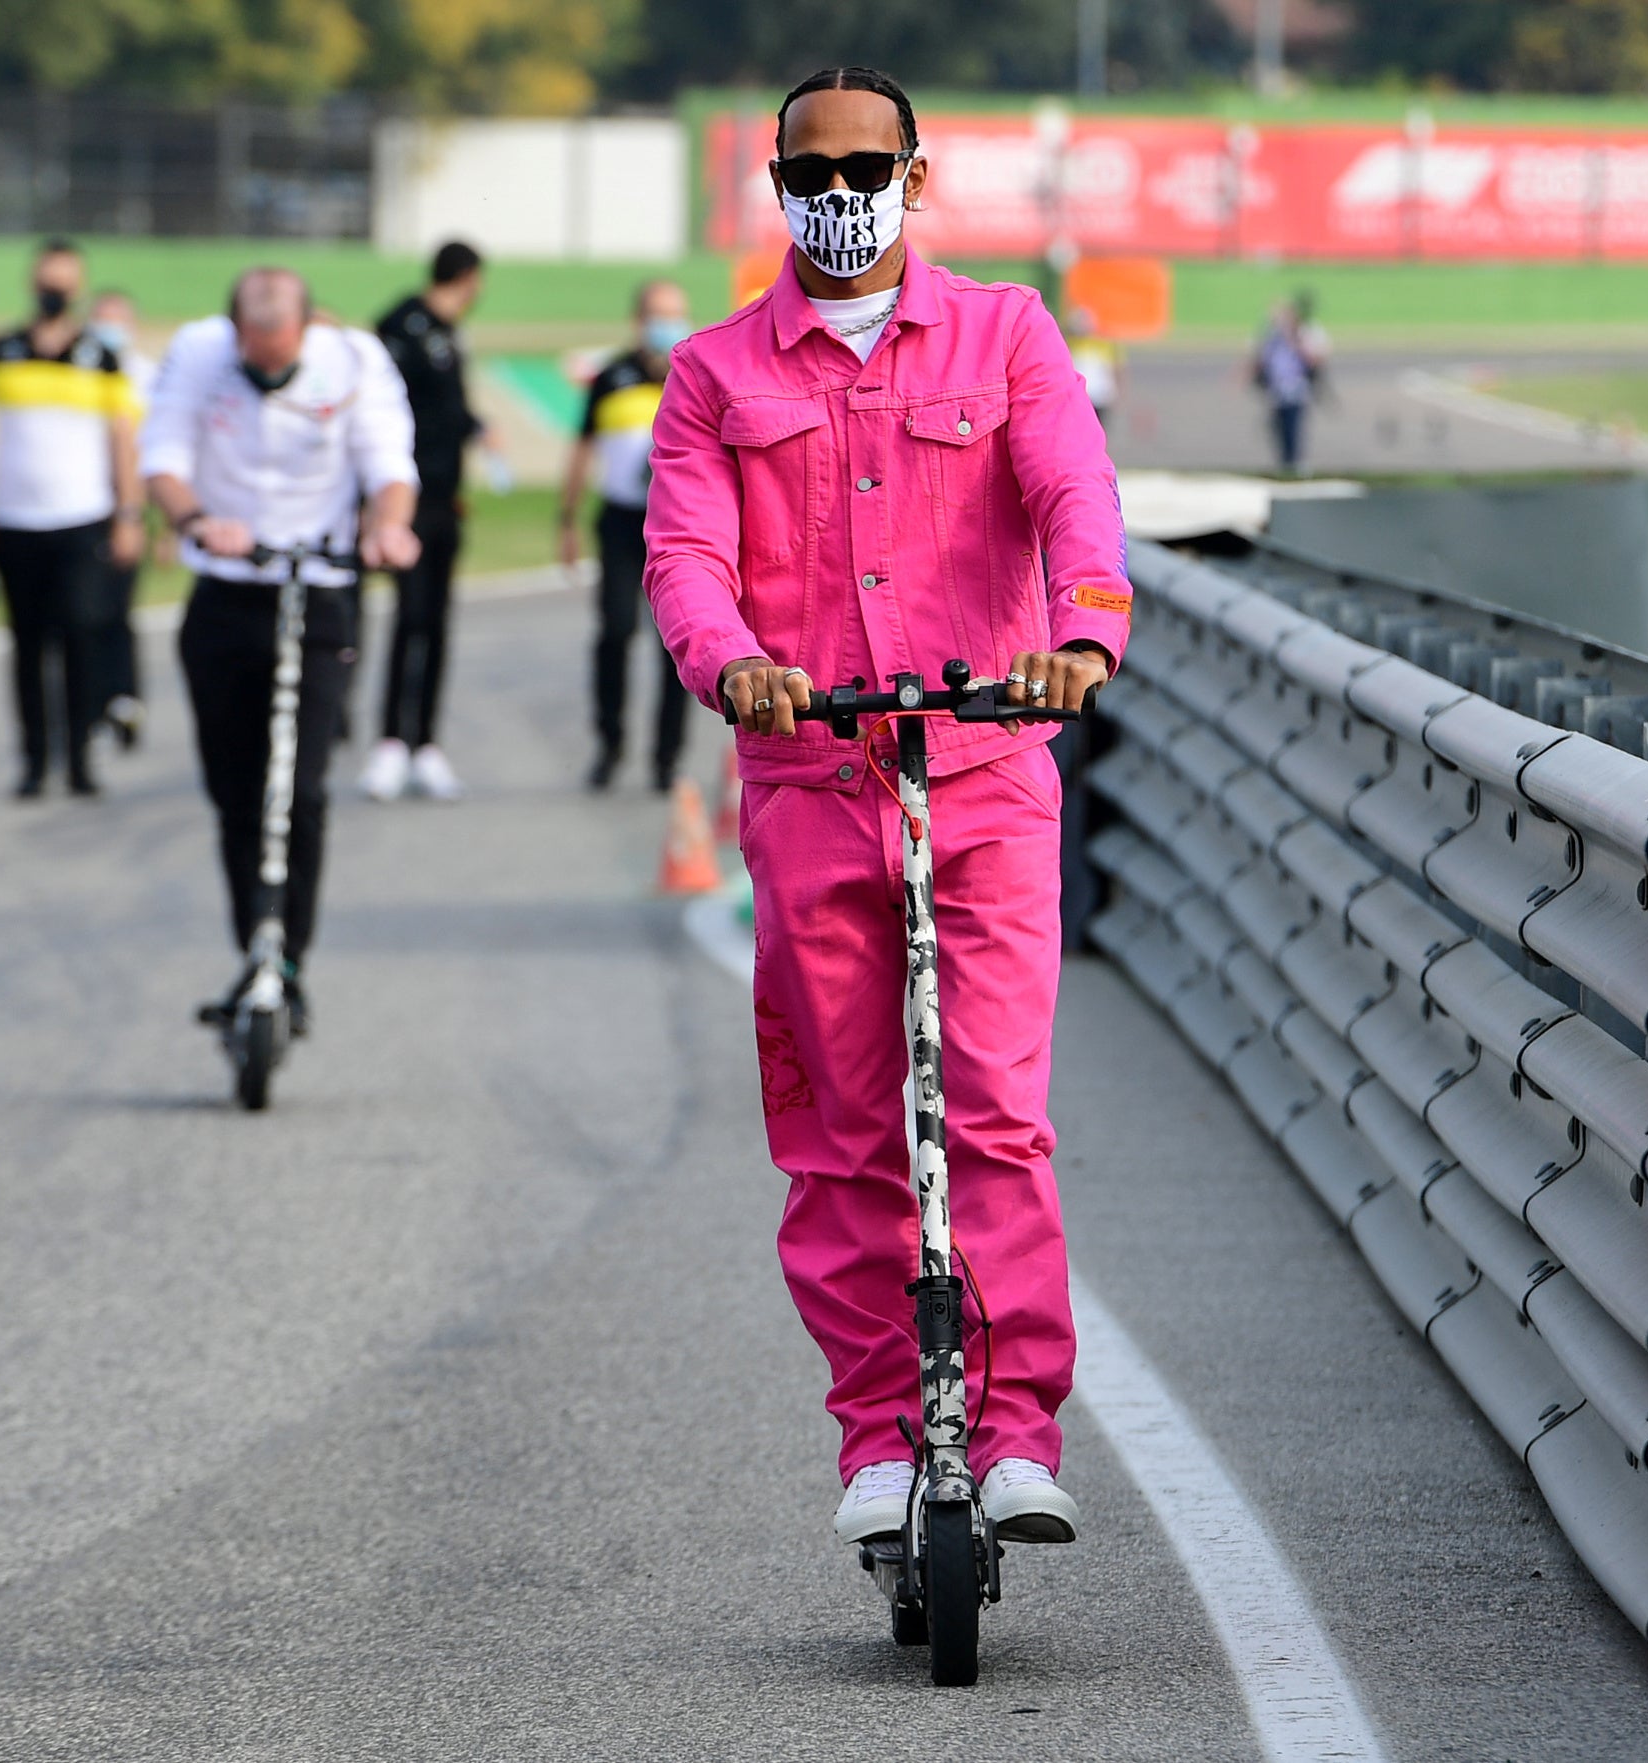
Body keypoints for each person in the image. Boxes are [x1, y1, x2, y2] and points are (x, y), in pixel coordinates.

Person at [645, 66, 1127, 1551]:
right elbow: (684, 557)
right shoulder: (717, 371)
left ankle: (1018, 1425)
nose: (838, 192)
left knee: (992, 1114)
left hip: (983, 775)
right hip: (809, 784)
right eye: (812, 171)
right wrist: (734, 668)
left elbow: (1071, 495)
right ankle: (876, 1428)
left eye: (868, 166)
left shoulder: (1008, 332)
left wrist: (1083, 629)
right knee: (842, 1127)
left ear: (918, 179)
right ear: (777, 189)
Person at [140, 268, 420, 1020]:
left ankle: (289, 954)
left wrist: (386, 525)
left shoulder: (354, 359)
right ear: (234, 331)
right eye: (253, 349)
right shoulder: (199, 353)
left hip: (318, 586)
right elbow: (161, 456)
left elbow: (390, 463)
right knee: (235, 791)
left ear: (307, 328)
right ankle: (252, 946)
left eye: (280, 347)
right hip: (226, 585)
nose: (267, 363)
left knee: (298, 788)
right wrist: (198, 521)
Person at [0, 239, 143, 798]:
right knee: (27, 643)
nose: (55, 293)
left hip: (82, 516)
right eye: (48, 282)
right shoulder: (0, 352)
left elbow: (123, 439)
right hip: (16, 519)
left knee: (79, 635)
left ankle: (78, 757)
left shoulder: (101, 355)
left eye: (65, 284)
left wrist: (129, 513)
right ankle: (33, 758)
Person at [362, 240, 497, 802]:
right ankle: (392, 741)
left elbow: (450, 408)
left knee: (438, 622)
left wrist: (479, 428)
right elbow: (381, 410)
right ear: (467, 278)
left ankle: (427, 746)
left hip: (446, 499)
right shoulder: (399, 327)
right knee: (410, 616)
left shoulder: (449, 334)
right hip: (405, 501)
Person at [563, 280, 694, 793]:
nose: (667, 325)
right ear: (639, 320)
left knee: (677, 644)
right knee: (615, 631)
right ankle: (610, 743)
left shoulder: (694, 371)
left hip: (679, 526)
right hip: (621, 522)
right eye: (658, 315)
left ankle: (666, 757)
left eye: (676, 315)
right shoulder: (610, 377)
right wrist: (567, 519)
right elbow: (581, 447)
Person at [83, 288, 158, 750]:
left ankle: (125, 697)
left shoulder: (147, 378)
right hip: (85, 508)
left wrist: (152, 520)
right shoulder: (81, 371)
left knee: (117, 610)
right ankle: (91, 703)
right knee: (83, 614)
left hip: (130, 508)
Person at [1251, 290, 1327, 477]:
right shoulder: (1271, 335)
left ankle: (1296, 464)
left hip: (1296, 388)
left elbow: (1315, 358)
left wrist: (1295, 339)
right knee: (1278, 429)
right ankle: (1284, 464)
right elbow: (1261, 358)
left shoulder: (1304, 333)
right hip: (1276, 389)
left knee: (1294, 427)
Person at [1061, 305, 1121, 439]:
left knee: (1098, 432)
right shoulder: (1069, 343)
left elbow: (1115, 367)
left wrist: (1117, 391)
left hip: (1100, 395)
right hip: (1079, 395)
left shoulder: (1102, 343)